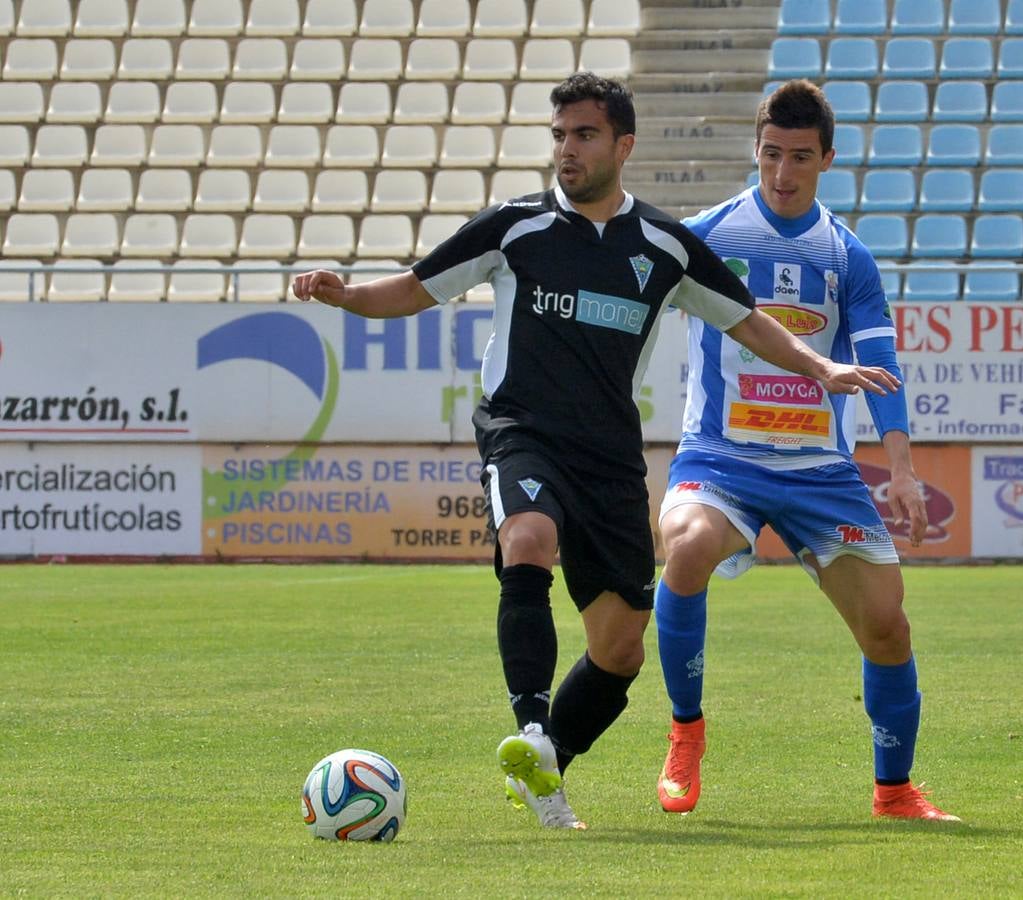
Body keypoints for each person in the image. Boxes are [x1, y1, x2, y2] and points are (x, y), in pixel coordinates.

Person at [292, 72, 899, 830]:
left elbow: (748, 322)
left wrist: (822, 368)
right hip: (524, 432)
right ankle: (532, 727)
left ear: (623, 145)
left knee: (619, 651)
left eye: (583, 135)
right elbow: (416, 288)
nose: (566, 150)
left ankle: (547, 767)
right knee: (528, 537)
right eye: (558, 135)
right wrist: (347, 293)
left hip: (608, 455)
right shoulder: (514, 227)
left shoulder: (664, 246)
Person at [653, 79, 958, 821]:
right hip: (721, 457)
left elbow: (881, 368)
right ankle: (686, 733)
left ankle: (894, 791)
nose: (781, 174)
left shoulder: (845, 255)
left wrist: (906, 471)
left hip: (820, 470)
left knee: (886, 624)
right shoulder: (706, 236)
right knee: (687, 546)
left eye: (797, 158)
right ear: (755, 151)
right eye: (768, 155)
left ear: (826, 158)